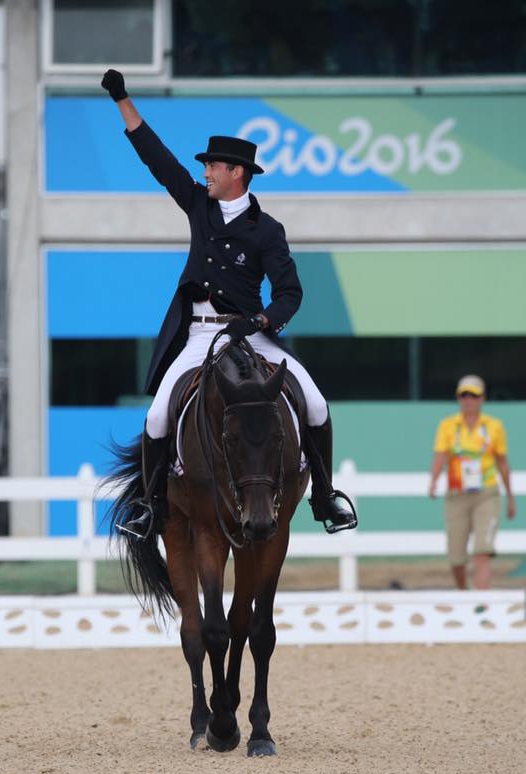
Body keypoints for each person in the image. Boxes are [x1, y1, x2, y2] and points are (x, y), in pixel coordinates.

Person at [100, 68, 357, 539]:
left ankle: (324, 496)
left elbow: (290, 293)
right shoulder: (199, 205)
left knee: (316, 405)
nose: (205, 174)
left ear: (235, 174)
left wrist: (258, 321)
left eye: (213, 168)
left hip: (251, 332)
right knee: (158, 415)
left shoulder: (267, 230)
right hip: (200, 333)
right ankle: (150, 506)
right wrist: (122, 100)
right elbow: (159, 162)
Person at [429, 374, 516, 589]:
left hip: (486, 492)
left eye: (473, 395)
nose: (469, 400)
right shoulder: (448, 425)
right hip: (457, 493)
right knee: (456, 558)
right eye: (464, 395)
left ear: (482, 398)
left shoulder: (494, 426)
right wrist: (433, 480)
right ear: (459, 398)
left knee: (482, 551)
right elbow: (441, 455)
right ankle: (464, 596)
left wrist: (511, 497)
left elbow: (502, 462)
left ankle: (480, 606)